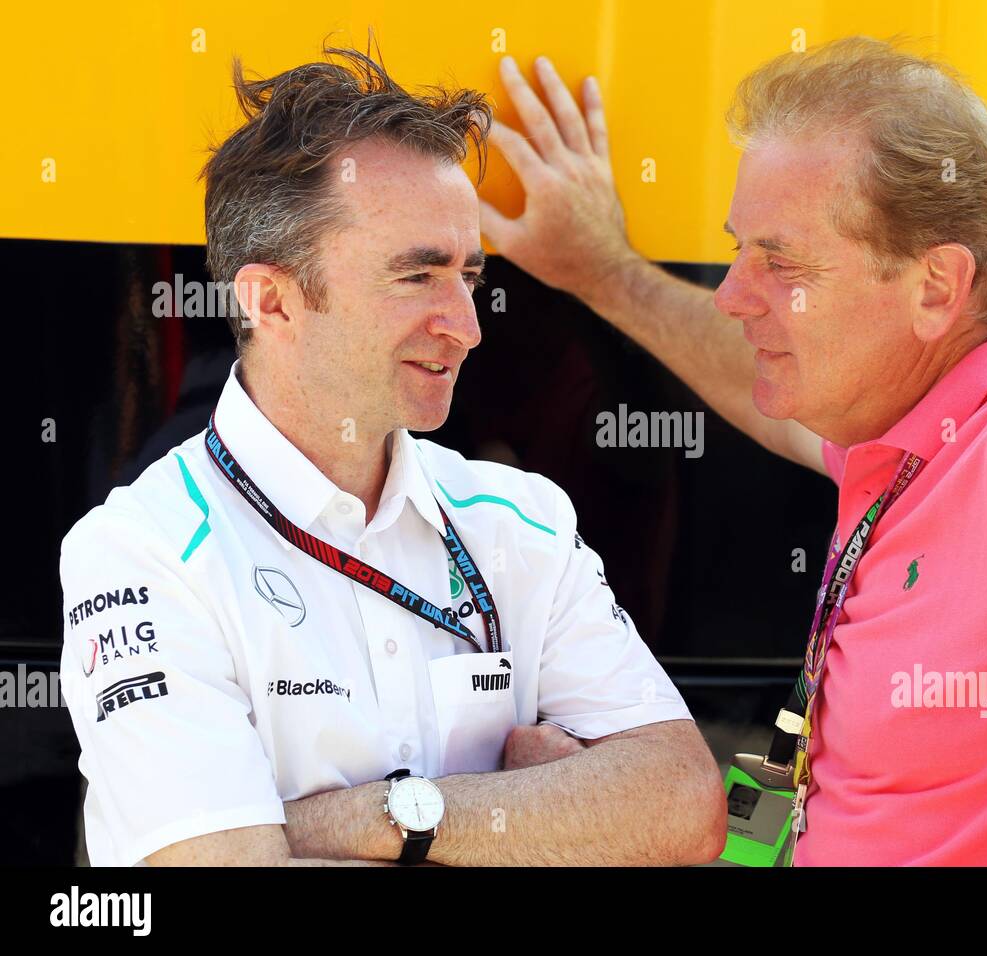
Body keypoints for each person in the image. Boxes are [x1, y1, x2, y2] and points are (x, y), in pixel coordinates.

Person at [480, 38, 987, 866]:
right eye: (738, 249)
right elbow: (753, 379)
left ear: (936, 288)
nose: (733, 295)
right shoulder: (905, 431)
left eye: (781, 260)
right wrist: (604, 272)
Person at [58, 46, 726, 867]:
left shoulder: (522, 519)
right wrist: (539, 816)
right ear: (271, 300)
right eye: (417, 277)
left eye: (468, 277)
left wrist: (376, 818)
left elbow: (685, 805)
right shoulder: (141, 553)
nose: (467, 325)